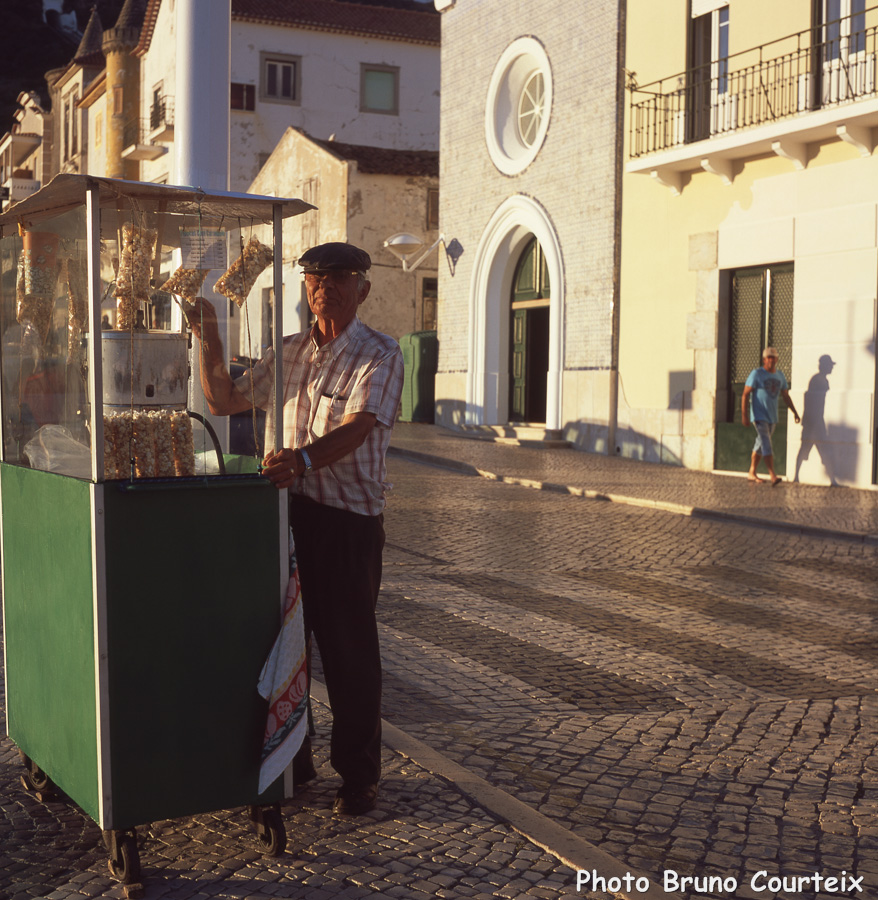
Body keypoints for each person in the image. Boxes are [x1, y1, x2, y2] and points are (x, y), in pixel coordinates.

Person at [186, 242, 404, 815]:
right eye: (313, 278)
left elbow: (359, 427)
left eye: (337, 277)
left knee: (348, 650)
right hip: (285, 518)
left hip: (347, 525)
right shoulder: (287, 353)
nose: (322, 287)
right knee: (287, 646)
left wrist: (304, 460)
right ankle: (293, 762)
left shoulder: (379, 354)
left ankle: (359, 775)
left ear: (363, 288)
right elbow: (225, 397)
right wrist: (207, 330)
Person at [741, 346, 800, 485]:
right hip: (759, 416)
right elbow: (745, 394)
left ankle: (752, 472)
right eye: (768, 357)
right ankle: (773, 475)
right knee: (766, 443)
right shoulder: (756, 374)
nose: (771, 360)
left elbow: (785, 396)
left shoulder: (780, 376)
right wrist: (744, 415)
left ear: (777, 359)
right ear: (764, 359)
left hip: (772, 416)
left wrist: (795, 412)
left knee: (760, 444)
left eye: (773, 357)